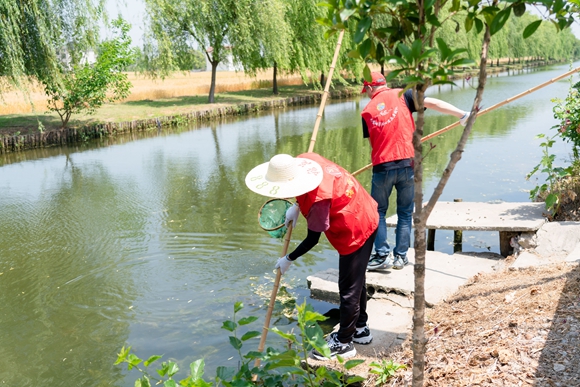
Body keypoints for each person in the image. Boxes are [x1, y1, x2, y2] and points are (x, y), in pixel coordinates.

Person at [245, 152, 379, 360]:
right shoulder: (307, 159)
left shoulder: (318, 203)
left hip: (356, 226)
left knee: (348, 288)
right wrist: (298, 206)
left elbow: (312, 239)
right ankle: (360, 328)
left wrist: (289, 258)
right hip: (364, 208)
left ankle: (344, 342)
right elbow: (305, 187)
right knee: (356, 280)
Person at [361, 71, 471, 271]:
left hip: (382, 167)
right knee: (404, 213)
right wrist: (461, 114)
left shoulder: (367, 111)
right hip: (407, 164)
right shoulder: (405, 95)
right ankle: (400, 258)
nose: (366, 94)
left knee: (378, 212)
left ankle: (381, 256)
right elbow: (433, 103)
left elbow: (373, 144)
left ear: (369, 88)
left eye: (365, 90)